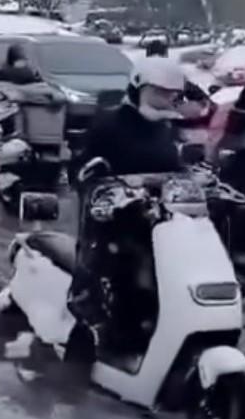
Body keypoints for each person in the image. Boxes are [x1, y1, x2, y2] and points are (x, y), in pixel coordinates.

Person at [67, 58, 192, 359]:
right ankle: (94, 348)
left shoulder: (166, 129)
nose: (163, 101)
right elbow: (80, 167)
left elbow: (176, 169)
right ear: (136, 89)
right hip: (112, 223)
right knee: (127, 276)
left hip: (162, 222)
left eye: (169, 95)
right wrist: (90, 173)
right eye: (156, 94)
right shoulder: (109, 124)